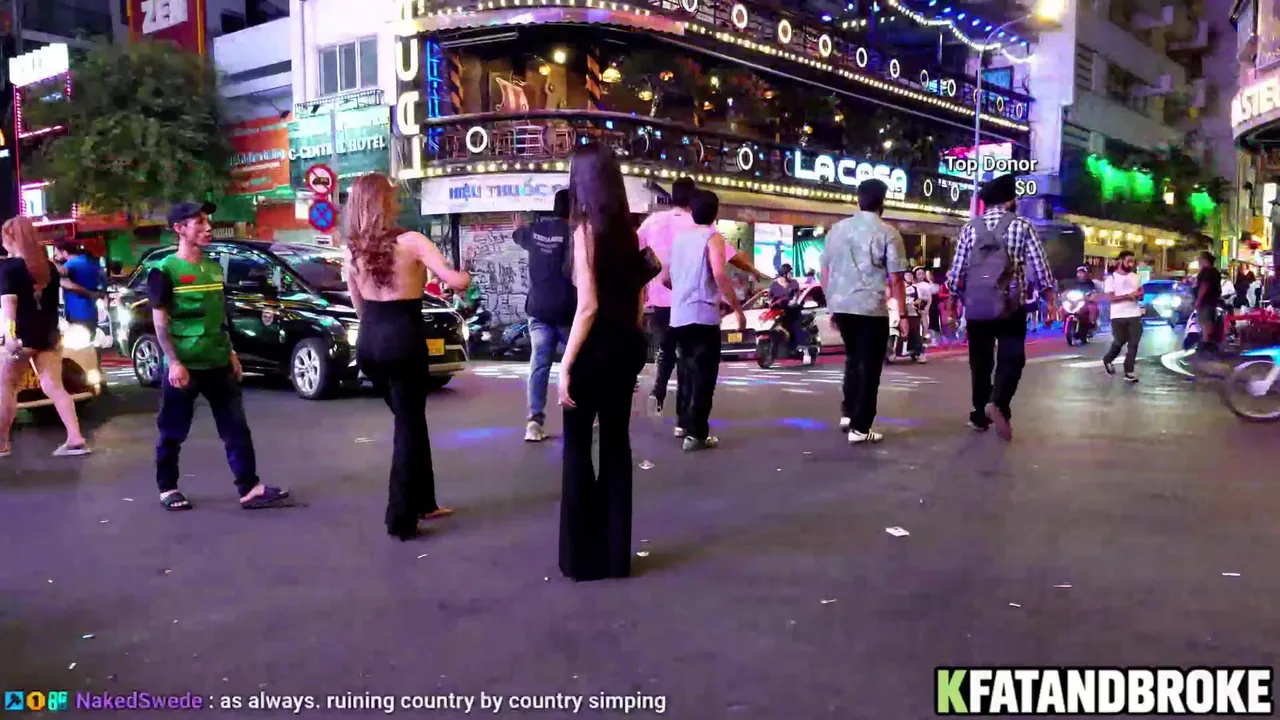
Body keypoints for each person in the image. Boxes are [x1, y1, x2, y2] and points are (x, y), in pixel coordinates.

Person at [342, 175, 471, 540]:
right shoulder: (412, 242)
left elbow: (357, 304)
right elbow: (456, 282)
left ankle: (425, 500)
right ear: (383, 204)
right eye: (393, 197)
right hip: (404, 339)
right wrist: (466, 272)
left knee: (410, 419)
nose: (399, 202)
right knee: (408, 426)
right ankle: (400, 518)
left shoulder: (352, 251)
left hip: (370, 341)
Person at [557, 145, 656, 582]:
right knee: (616, 445)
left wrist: (565, 363)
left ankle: (582, 559)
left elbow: (588, 305)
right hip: (624, 346)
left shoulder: (584, 232)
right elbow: (638, 297)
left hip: (593, 348)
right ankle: (616, 558)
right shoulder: (626, 231)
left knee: (578, 448)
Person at [149, 202, 286, 510]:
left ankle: (249, 488)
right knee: (172, 432)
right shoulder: (164, 270)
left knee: (236, 428)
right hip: (185, 366)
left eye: (207, 221)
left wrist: (232, 352)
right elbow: (159, 321)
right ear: (179, 229)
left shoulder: (212, 268)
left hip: (219, 361)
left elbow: (219, 314)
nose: (208, 228)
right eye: (198, 222)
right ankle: (168, 488)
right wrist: (174, 362)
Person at [946, 174, 1055, 441]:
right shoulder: (1022, 225)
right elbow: (1040, 267)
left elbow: (957, 273)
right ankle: (999, 402)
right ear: (1009, 200)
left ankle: (979, 415)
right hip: (1010, 305)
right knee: (1012, 357)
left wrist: (952, 304)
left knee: (980, 362)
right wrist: (1051, 300)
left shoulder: (970, 228)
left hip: (976, 306)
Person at [821, 179, 909, 444]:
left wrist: (832, 305)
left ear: (858, 199)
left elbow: (825, 271)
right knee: (870, 367)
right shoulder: (888, 232)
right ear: (883, 201)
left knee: (853, 358)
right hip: (871, 308)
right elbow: (897, 278)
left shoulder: (836, 230)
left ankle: (848, 413)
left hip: (842, 306)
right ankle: (860, 428)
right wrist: (903, 315)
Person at [659, 190, 745, 451]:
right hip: (703, 316)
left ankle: (684, 424)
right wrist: (736, 308)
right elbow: (718, 273)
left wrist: (683, 292)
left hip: (679, 316)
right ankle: (697, 434)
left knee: (686, 371)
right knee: (704, 376)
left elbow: (664, 278)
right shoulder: (712, 237)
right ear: (715, 213)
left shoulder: (679, 240)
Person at [0, 217, 91, 458]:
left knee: (6, 388)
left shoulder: (9, 268)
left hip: (22, 336)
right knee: (54, 386)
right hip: (49, 335)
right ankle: (75, 437)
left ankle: (2, 443)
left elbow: (9, 305)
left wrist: (10, 336)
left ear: (11, 238)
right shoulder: (49, 267)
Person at [514, 189, 576, 442]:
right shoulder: (575, 235)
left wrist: (519, 226)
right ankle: (581, 412)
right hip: (567, 312)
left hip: (538, 310)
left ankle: (534, 422)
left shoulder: (535, 231)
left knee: (539, 364)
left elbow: (519, 235)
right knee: (576, 363)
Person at [638, 177, 696, 415]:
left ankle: (658, 391)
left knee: (666, 348)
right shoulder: (697, 223)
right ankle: (683, 417)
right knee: (687, 355)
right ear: (692, 198)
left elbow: (635, 249)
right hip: (688, 301)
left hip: (659, 301)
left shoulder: (653, 221)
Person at [1102, 250, 1144, 383]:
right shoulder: (1111, 279)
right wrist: (1128, 296)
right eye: (1128, 261)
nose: (1131, 264)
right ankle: (1108, 359)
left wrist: (1139, 295)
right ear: (1120, 261)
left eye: (1133, 261)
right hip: (1118, 316)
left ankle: (1129, 371)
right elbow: (1110, 298)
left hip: (1134, 314)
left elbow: (1140, 293)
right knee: (1119, 341)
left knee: (1134, 343)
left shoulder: (1135, 277)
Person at [54, 242, 107, 336]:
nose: (55, 257)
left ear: (65, 253)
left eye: (56, 254)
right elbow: (103, 282)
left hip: (76, 312)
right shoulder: (93, 262)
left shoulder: (69, 265)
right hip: (92, 312)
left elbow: (62, 279)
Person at [1193, 251, 1222, 354]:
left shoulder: (1207, 272)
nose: (1198, 261)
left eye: (1200, 259)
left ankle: (1206, 342)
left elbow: (1204, 286)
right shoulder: (1214, 271)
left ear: (1205, 260)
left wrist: (1198, 300)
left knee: (1205, 321)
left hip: (1206, 301)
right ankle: (1207, 341)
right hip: (1211, 300)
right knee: (1207, 320)